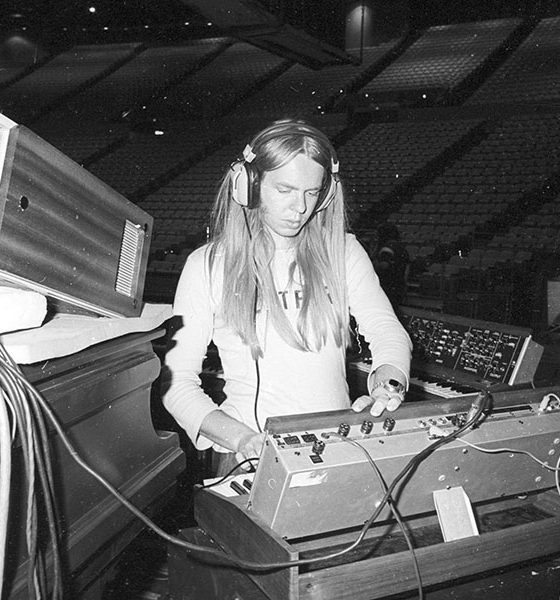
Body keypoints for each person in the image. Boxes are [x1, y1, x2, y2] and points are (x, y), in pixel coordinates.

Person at [161, 119, 412, 476]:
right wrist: (244, 441)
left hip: (340, 445)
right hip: (248, 455)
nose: (301, 207)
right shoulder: (207, 265)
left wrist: (388, 385)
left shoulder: (344, 251)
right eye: (286, 190)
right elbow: (176, 383)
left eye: (312, 193)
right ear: (249, 185)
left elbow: (386, 330)